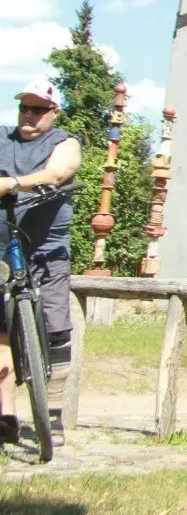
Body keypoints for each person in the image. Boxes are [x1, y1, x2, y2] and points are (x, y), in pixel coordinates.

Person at [0, 79, 82, 447]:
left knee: (55, 328)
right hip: (4, 242)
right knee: (1, 330)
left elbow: (59, 173)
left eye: (38, 109)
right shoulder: (3, 138)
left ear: (54, 112)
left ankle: (53, 416)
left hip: (47, 247)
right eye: (24, 108)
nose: (29, 115)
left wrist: (13, 184)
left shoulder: (64, 142)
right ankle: (6, 417)